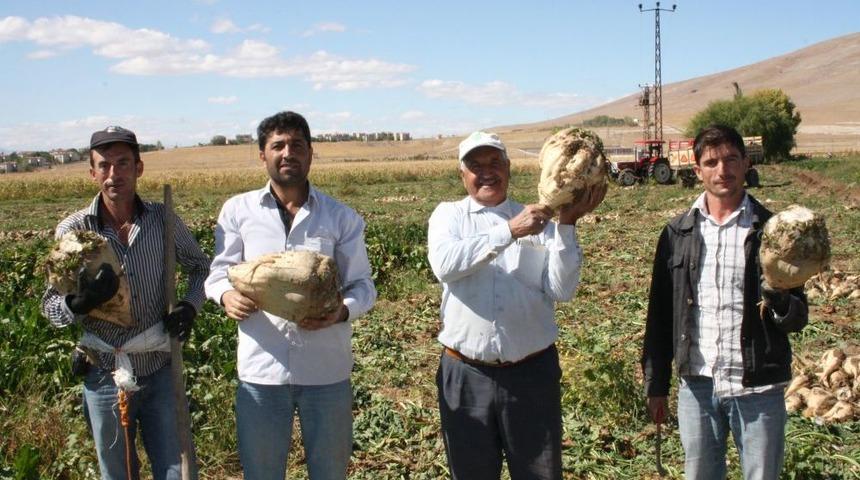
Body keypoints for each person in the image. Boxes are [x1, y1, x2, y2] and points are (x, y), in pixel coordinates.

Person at [204, 111, 376, 480]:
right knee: (262, 472)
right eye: (277, 145)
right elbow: (218, 272)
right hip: (261, 373)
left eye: (297, 145)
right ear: (262, 155)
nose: (288, 153)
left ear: (310, 154)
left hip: (326, 371)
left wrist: (341, 313)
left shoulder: (339, 217)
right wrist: (225, 297)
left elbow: (363, 285)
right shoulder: (238, 211)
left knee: (330, 472)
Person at [427, 131, 606, 479]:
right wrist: (510, 231)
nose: (487, 172)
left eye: (495, 163)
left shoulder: (541, 221)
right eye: (475, 166)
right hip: (466, 375)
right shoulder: (448, 216)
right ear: (462, 174)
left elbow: (561, 289)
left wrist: (566, 223)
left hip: (531, 377)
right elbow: (445, 265)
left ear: (509, 168)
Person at [40, 125, 210, 480]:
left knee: (178, 471)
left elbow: (201, 269)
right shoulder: (72, 232)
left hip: (160, 369)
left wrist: (190, 306)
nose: (113, 174)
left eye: (122, 163)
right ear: (92, 172)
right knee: (117, 473)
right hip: (103, 373)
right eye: (104, 166)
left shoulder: (163, 220)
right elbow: (51, 309)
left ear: (139, 168)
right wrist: (80, 302)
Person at [641, 124, 809, 480]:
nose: (723, 170)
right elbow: (659, 315)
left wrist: (778, 294)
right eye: (712, 161)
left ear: (746, 162)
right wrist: (656, 385)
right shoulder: (677, 233)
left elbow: (796, 318)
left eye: (731, 158)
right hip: (697, 385)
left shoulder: (773, 230)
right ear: (697, 169)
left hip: (758, 386)